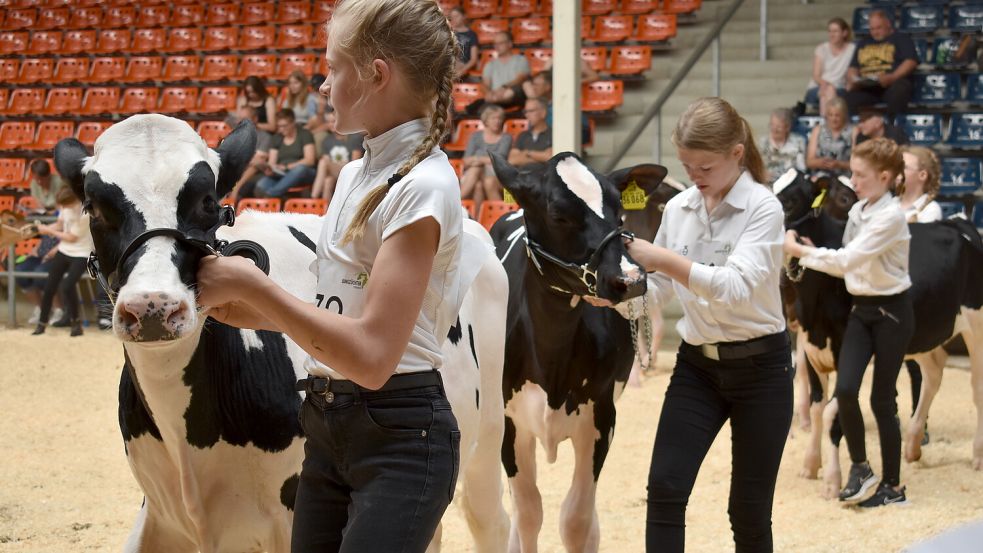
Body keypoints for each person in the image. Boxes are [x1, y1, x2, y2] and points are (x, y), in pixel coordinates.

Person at [196, 0, 465, 550]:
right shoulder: (354, 174)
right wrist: (245, 312)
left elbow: (372, 357)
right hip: (325, 422)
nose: (322, 84)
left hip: (400, 436)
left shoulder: (424, 187)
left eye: (332, 68)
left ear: (376, 74)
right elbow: (338, 311)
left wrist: (255, 286)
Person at [585, 97, 791, 552]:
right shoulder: (679, 208)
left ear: (737, 154)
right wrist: (620, 295)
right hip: (698, 366)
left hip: (763, 372)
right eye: (686, 166)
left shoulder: (763, 208)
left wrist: (661, 259)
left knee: (749, 511)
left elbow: (733, 287)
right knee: (665, 489)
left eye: (705, 167)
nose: (695, 177)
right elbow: (659, 291)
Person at [785, 137, 913, 508]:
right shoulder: (859, 210)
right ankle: (861, 467)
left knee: (882, 400)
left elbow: (846, 261)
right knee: (845, 391)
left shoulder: (891, 216)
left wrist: (799, 251)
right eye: (853, 174)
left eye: (860, 175)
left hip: (892, 313)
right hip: (862, 311)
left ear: (885, 177)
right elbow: (840, 255)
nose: (853, 181)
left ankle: (893, 486)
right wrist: (809, 249)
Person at [32, 186, 93, 337]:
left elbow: (72, 237)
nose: (63, 208)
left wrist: (49, 232)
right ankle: (42, 323)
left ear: (73, 201)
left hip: (81, 253)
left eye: (65, 205)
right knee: (49, 286)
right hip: (64, 250)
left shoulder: (85, 213)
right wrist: (42, 228)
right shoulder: (65, 207)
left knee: (67, 286)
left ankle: (76, 323)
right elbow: (59, 225)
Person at [845, 10, 918, 119]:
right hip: (868, 87)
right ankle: (856, 131)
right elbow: (853, 67)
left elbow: (911, 61)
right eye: (872, 29)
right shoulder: (863, 43)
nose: (875, 32)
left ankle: (892, 128)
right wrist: (853, 79)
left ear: (888, 24)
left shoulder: (901, 38)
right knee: (845, 98)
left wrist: (893, 77)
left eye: (878, 28)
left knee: (900, 90)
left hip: (892, 84)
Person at [255, 108, 317, 199]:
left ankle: (271, 195)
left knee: (300, 169)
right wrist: (271, 170)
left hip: (303, 172)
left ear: (293, 123)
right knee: (261, 185)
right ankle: (278, 197)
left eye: (284, 126)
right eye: (279, 126)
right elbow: (272, 162)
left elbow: (310, 160)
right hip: (282, 173)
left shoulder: (305, 134)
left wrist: (287, 167)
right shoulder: (277, 138)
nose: (281, 129)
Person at [521, 70, 594, 146]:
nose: (533, 88)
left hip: (576, 135)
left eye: (536, 85)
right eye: (533, 85)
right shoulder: (540, 105)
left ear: (548, 86)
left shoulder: (563, 102)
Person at [460, 104, 511, 205]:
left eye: (500, 118)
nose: (497, 121)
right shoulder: (476, 136)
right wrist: (485, 160)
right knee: (478, 185)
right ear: (486, 120)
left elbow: (499, 159)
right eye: (493, 118)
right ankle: (477, 217)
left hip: (496, 174)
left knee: (477, 167)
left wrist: (477, 159)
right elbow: (465, 161)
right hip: (474, 176)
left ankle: (457, 199)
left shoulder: (506, 137)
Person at [805, 17, 856, 117]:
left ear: (844, 33)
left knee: (827, 95)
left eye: (835, 31)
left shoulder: (852, 49)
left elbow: (852, 70)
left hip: (840, 87)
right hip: (818, 86)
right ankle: (831, 123)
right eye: (830, 31)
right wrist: (826, 85)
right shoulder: (821, 49)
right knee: (829, 90)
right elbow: (816, 76)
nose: (832, 34)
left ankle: (825, 124)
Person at [311, 111, 365, 203]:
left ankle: (313, 199)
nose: (330, 124)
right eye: (329, 122)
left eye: (333, 121)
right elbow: (327, 167)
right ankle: (325, 212)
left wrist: (336, 165)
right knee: (328, 181)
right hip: (335, 172)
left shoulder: (354, 137)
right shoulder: (327, 140)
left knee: (323, 162)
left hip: (350, 172)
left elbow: (355, 164)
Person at [226, 104, 275, 202]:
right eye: (239, 118)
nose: (240, 122)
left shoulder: (265, 137)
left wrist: (237, 187)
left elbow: (256, 164)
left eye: (244, 119)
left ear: (255, 119)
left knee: (241, 190)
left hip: (253, 175)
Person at [806, 97, 852, 179]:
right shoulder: (818, 130)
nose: (833, 119)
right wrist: (820, 162)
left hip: (845, 178)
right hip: (821, 176)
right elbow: (809, 162)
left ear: (844, 115)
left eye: (837, 115)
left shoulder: (853, 131)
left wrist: (839, 164)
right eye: (830, 115)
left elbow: (858, 163)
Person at [481, 31, 531, 108]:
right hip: (496, 97)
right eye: (495, 44)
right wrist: (489, 93)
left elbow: (520, 79)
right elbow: (485, 84)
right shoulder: (490, 64)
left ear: (510, 44)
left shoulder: (521, 60)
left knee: (512, 91)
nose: (497, 46)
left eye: (500, 43)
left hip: (514, 97)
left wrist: (503, 88)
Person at [759, 107, 806, 183]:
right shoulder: (762, 142)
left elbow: (801, 168)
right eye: (772, 125)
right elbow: (756, 168)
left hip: (789, 184)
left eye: (779, 127)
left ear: (787, 127)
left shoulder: (798, 141)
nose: (774, 129)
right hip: (767, 184)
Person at [508, 97, 552, 173]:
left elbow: (551, 157)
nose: (527, 115)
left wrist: (527, 153)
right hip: (522, 178)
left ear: (543, 113)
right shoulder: (522, 135)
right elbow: (512, 160)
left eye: (531, 111)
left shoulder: (553, 134)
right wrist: (541, 156)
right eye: (526, 111)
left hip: (543, 179)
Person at [448, 6, 479, 78]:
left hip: (463, 67)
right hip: (450, 65)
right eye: (452, 17)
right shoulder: (448, 32)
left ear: (464, 16)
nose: (454, 19)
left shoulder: (471, 35)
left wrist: (462, 70)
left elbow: (473, 59)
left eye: (456, 16)